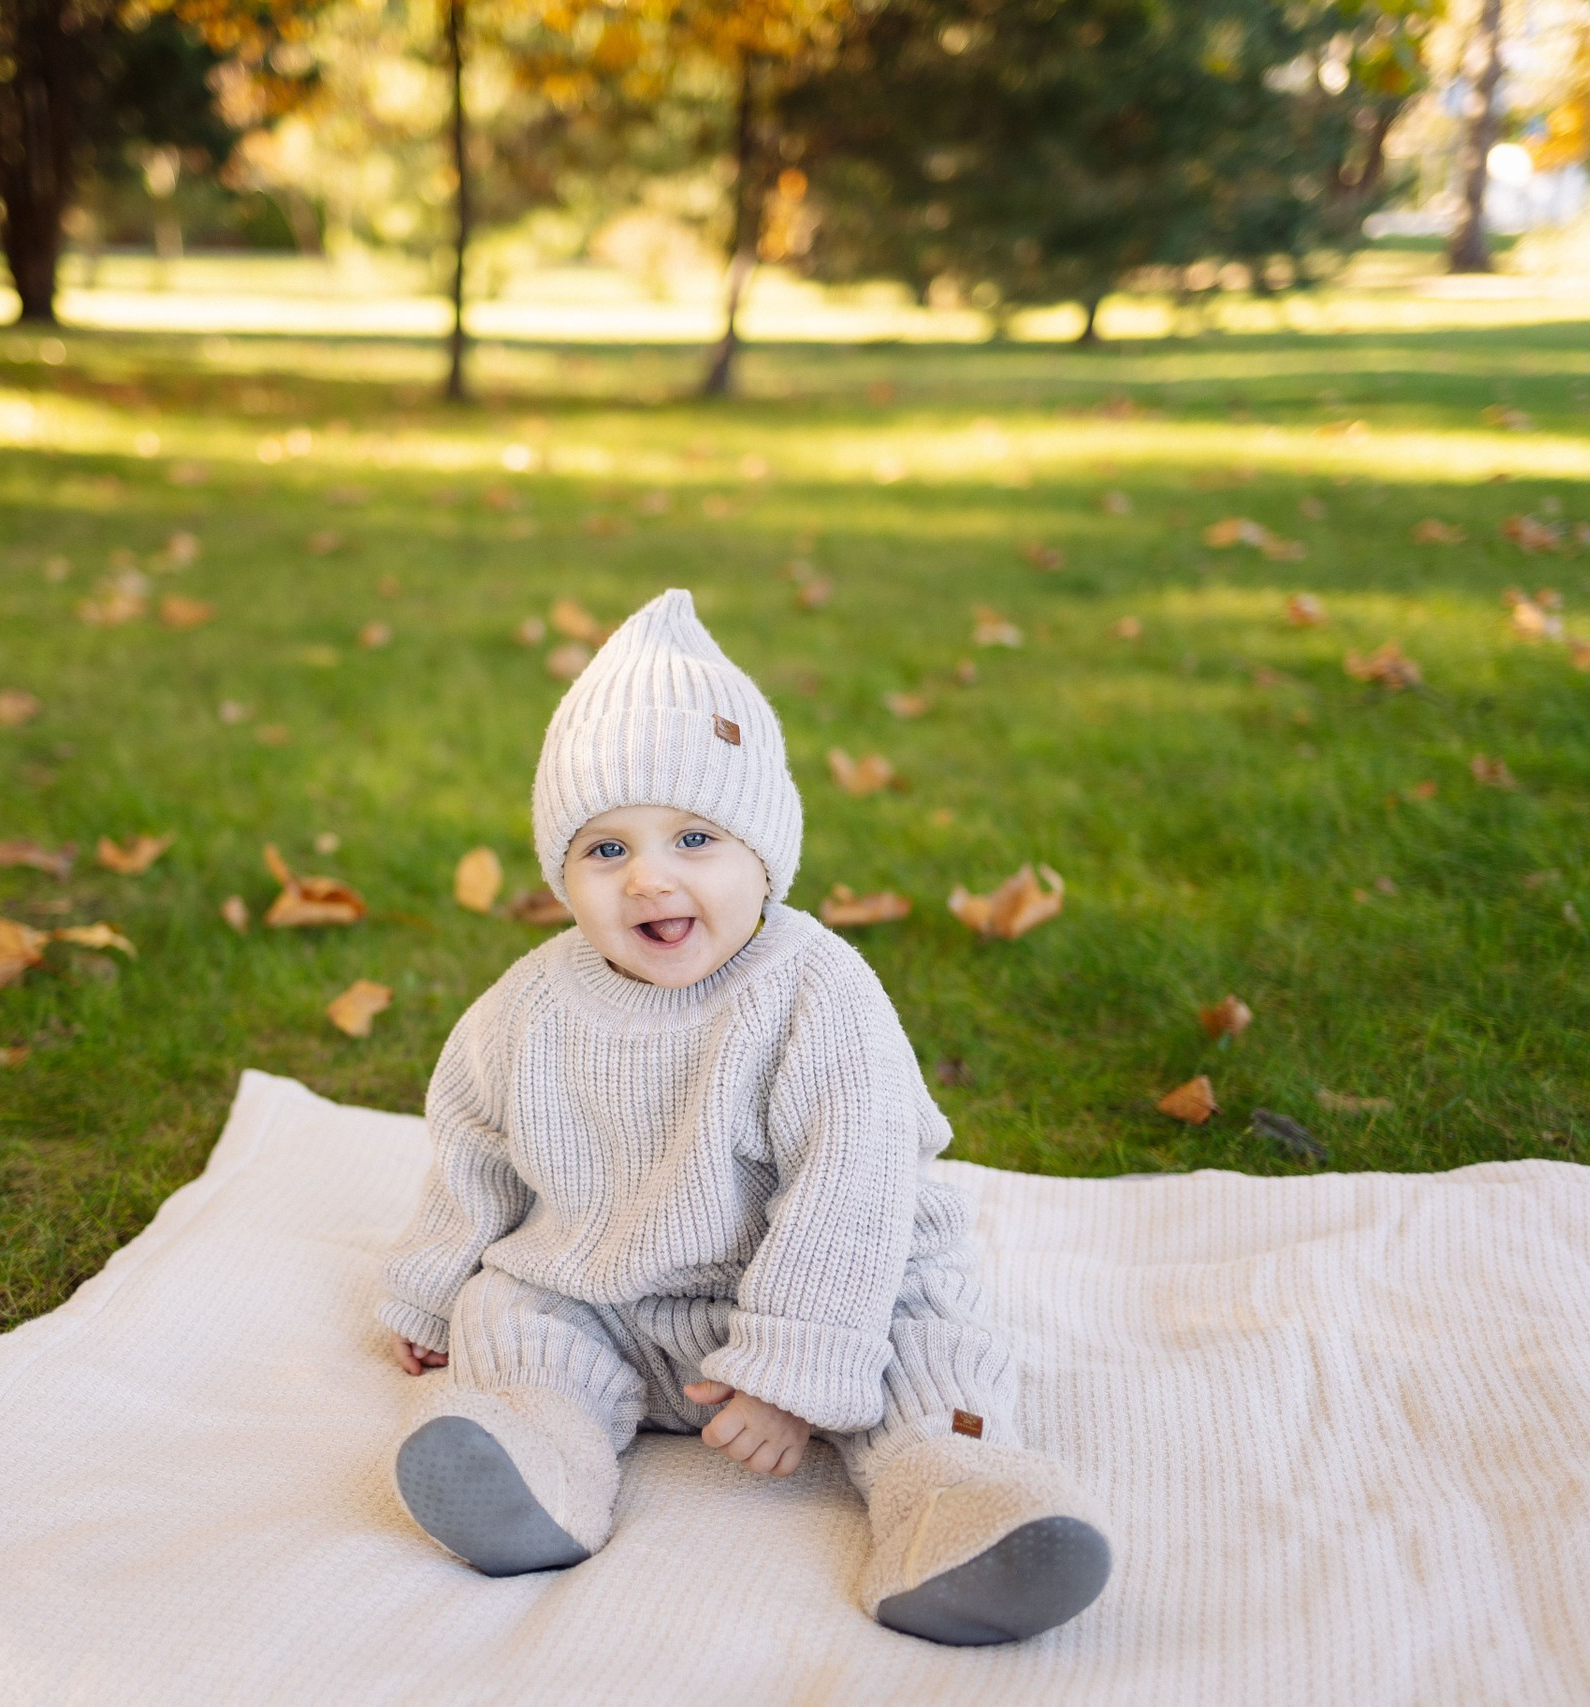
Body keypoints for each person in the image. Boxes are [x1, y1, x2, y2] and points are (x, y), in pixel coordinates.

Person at [375, 588, 1111, 1645]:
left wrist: (791, 1373)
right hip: (613, 1295)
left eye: (693, 837)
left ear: (765, 855)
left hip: (837, 1290)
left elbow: (851, 1185)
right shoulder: (526, 1007)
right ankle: (534, 1458)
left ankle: (955, 1504)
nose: (650, 879)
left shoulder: (815, 988)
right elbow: (473, 1155)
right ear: (561, 877)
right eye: (606, 851)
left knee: (923, 1348)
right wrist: (431, 1292)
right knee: (519, 1320)